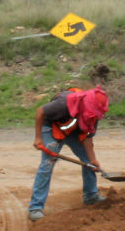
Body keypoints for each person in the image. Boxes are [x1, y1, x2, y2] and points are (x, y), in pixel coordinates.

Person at [28, 86, 111, 221]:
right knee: (47, 163)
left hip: (73, 131)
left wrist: (92, 160)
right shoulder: (64, 103)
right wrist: (38, 138)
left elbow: (87, 137)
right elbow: (40, 112)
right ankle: (35, 207)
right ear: (87, 104)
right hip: (52, 128)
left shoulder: (93, 116)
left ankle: (91, 196)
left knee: (88, 162)